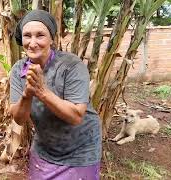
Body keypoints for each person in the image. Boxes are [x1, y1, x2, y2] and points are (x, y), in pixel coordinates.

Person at [10, 10, 102, 180]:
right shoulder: (18, 70)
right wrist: (27, 95)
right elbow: (19, 119)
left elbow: (76, 116)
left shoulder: (71, 65)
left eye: (40, 35)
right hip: (45, 149)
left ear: (52, 39)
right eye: (27, 36)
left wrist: (42, 91)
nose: (32, 42)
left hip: (80, 150)